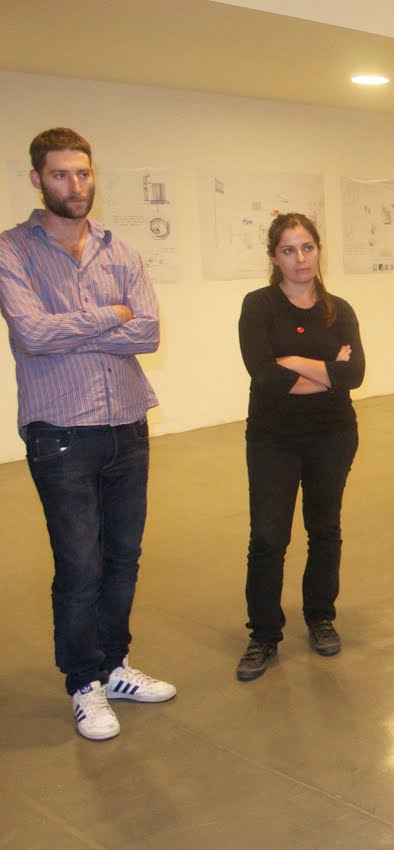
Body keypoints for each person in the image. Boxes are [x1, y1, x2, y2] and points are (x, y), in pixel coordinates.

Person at [0, 127, 175, 740]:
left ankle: (113, 665)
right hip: (60, 433)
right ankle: (83, 683)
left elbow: (148, 331)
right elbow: (31, 334)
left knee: (123, 558)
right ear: (36, 179)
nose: (75, 185)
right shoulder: (13, 251)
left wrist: (74, 328)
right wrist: (111, 316)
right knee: (79, 565)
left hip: (127, 423)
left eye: (83, 172)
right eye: (60, 174)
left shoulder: (118, 249)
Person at [235, 213, 365, 681]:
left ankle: (320, 617)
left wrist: (291, 361)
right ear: (275, 257)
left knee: (324, 528)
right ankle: (263, 634)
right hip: (273, 437)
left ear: (318, 250)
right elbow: (264, 374)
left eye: (307, 247)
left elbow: (354, 375)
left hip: (333, 433)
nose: (300, 258)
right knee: (268, 536)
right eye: (288, 250)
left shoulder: (339, 310)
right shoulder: (259, 306)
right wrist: (326, 372)